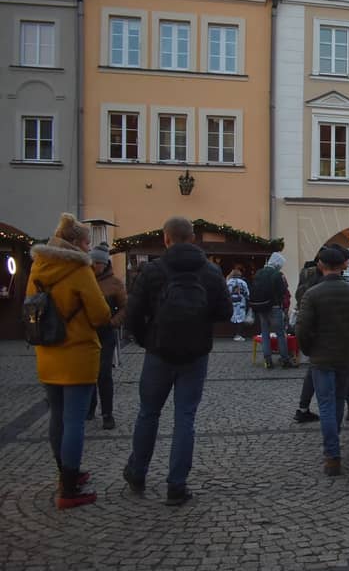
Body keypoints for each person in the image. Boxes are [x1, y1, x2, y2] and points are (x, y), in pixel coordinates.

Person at [123, 216, 232, 506]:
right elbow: (225, 311)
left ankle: (138, 472)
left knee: (148, 413)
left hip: (158, 352)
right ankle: (176, 485)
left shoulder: (153, 270)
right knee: (185, 417)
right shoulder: (210, 271)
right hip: (195, 354)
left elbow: (132, 314)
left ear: (166, 238)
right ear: (192, 238)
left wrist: (147, 339)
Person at [29, 213, 112, 509]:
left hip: (47, 352)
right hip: (77, 353)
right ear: (75, 242)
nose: (89, 247)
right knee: (74, 420)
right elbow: (100, 314)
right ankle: (69, 487)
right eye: (87, 242)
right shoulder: (79, 270)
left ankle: (64, 473)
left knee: (57, 416)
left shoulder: (38, 267)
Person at [295, 244, 349, 475]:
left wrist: (309, 349)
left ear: (321, 265)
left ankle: (332, 452)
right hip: (344, 354)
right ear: (342, 266)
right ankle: (333, 445)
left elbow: (302, 328)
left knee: (327, 404)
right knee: (338, 402)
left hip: (321, 356)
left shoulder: (312, 294)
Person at [293, 251, 349, 424]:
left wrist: (308, 346)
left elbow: (302, 325)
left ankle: (304, 409)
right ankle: (348, 412)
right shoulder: (323, 284)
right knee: (333, 390)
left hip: (319, 344)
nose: (347, 263)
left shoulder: (309, 277)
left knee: (318, 376)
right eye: (345, 261)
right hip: (332, 342)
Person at [87, 243, 127, 430]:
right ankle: (89, 406)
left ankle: (107, 413)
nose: (95, 266)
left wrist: (113, 322)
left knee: (104, 374)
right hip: (86, 333)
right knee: (88, 372)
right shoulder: (84, 279)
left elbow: (125, 308)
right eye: (93, 262)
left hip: (106, 332)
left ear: (104, 264)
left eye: (98, 263)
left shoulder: (114, 283)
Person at [251, 251, 296, 369]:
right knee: (280, 333)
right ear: (278, 264)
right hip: (274, 306)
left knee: (265, 332)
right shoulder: (277, 274)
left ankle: (268, 360)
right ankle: (285, 359)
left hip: (261, 306)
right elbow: (282, 291)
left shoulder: (259, 272)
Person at [226, 267, 249, 341]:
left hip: (231, 302)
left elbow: (225, 293)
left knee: (233, 318)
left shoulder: (228, 282)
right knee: (240, 319)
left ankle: (232, 334)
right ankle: (238, 335)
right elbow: (247, 293)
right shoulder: (243, 282)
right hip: (241, 302)